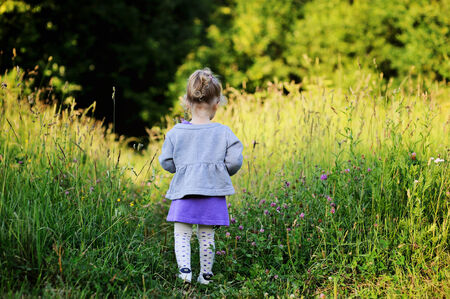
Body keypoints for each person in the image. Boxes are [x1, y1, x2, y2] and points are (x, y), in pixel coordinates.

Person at [158, 68, 244, 285]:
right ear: (216, 104)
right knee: (207, 236)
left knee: (182, 234)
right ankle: (205, 276)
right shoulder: (223, 132)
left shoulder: (176, 132)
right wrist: (223, 172)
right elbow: (234, 161)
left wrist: (182, 167)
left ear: (187, 102)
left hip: (184, 190)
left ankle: (185, 272)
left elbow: (166, 161)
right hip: (212, 192)